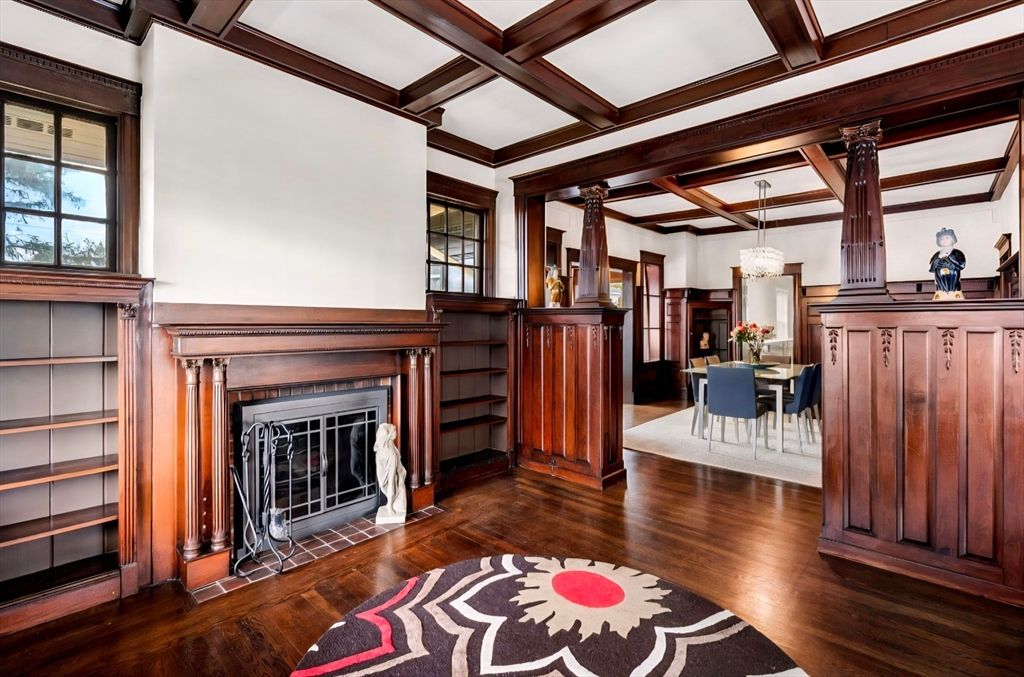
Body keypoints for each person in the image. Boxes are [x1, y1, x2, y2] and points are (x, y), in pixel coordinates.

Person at [929, 227, 966, 300]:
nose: (944, 240)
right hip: (940, 288)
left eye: (947, 238)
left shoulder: (957, 253)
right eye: (942, 239)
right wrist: (938, 258)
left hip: (954, 288)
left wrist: (949, 257)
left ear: (952, 239)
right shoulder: (936, 255)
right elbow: (931, 268)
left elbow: (961, 265)